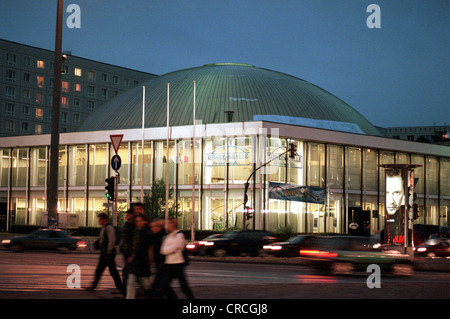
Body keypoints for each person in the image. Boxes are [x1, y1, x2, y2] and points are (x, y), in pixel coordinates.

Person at [85, 213, 124, 294]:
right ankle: (93, 286)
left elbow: (112, 239)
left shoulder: (109, 228)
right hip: (105, 253)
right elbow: (102, 240)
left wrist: (109, 250)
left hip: (108, 253)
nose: (99, 221)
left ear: (104, 220)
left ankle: (120, 288)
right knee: (101, 270)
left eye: (100, 219)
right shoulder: (104, 228)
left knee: (112, 271)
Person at [160, 217, 194, 299]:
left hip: (177, 263)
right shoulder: (168, 236)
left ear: (173, 224)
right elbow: (162, 249)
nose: (166, 225)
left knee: (183, 286)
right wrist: (169, 249)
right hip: (169, 263)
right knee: (165, 285)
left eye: (168, 223)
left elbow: (177, 247)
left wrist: (168, 250)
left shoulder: (179, 235)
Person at [126, 214, 152, 299]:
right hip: (134, 263)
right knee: (131, 283)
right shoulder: (134, 232)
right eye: (136, 221)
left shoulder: (147, 233)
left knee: (146, 285)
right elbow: (130, 245)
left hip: (142, 263)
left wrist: (133, 257)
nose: (138, 223)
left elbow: (143, 248)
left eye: (140, 221)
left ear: (144, 221)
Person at [147, 218, 166, 298]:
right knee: (161, 287)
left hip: (163, 264)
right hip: (159, 264)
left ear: (159, 227)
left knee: (156, 287)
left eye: (153, 227)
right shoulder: (155, 236)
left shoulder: (162, 237)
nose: (152, 229)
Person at [119, 209, 135, 295]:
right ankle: (124, 292)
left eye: (128, 214)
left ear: (132, 215)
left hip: (131, 253)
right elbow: (124, 237)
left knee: (128, 273)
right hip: (126, 252)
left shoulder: (134, 225)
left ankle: (124, 293)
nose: (127, 216)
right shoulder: (127, 224)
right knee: (127, 273)